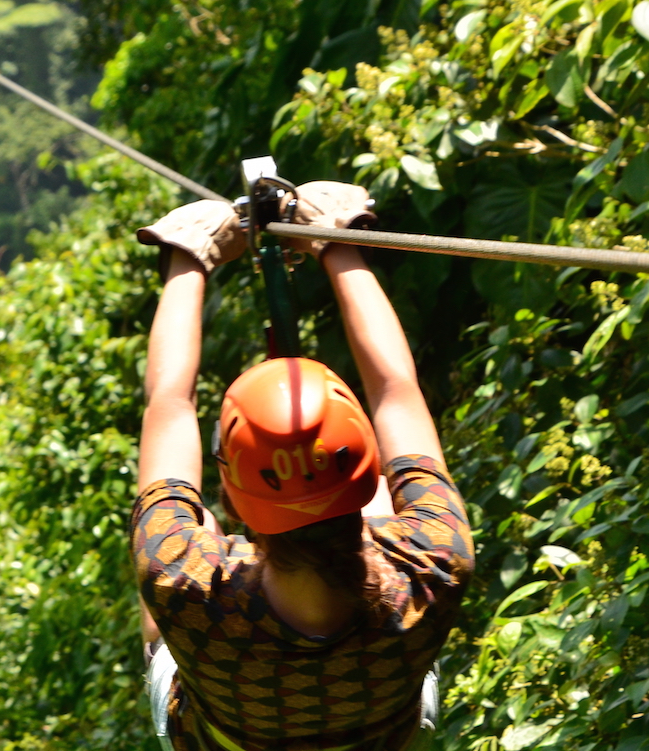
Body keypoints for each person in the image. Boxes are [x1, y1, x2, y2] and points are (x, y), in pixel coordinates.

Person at [129, 181, 474, 751]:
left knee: (173, 556)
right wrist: (336, 243)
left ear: (236, 496)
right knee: (393, 507)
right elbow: (396, 392)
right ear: (362, 465)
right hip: (384, 733)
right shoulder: (435, 562)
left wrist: (189, 255)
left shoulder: (182, 580)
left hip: (220, 739)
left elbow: (169, 402)